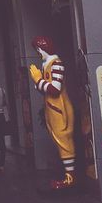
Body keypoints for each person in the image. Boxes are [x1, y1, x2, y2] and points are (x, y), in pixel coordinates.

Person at [29, 36, 77, 189]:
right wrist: (40, 82)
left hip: (59, 109)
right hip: (52, 108)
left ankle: (70, 179)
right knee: (59, 141)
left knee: (64, 141)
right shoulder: (47, 65)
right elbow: (44, 90)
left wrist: (38, 80)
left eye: (38, 49)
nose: (38, 53)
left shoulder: (57, 64)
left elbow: (54, 90)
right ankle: (68, 176)